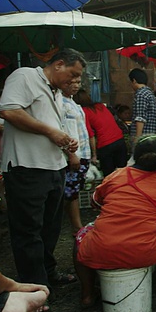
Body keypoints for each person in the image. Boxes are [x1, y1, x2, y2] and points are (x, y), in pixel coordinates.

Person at [0, 48, 85, 312]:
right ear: (58, 64)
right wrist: (52, 133)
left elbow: (55, 127)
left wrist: (69, 147)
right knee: (28, 231)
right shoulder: (24, 76)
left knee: (49, 228)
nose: (74, 80)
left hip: (53, 168)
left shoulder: (57, 93)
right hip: (27, 167)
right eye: (73, 73)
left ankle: (48, 274)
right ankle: (34, 288)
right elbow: (10, 111)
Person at [74, 135, 156, 309]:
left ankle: (87, 294)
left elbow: (95, 202)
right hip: (146, 250)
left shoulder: (116, 176)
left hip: (101, 247)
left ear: (134, 155)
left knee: (80, 236)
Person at [62, 80, 91, 236]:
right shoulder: (60, 102)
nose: (75, 85)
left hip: (83, 152)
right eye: (71, 82)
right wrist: (71, 154)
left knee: (75, 190)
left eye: (79, 82)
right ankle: (76, 226)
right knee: (70, 192)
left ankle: (77, 225)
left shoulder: (72, 102)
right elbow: (63, 130)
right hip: (74, 154)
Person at [75, 89, 128, 176]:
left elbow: (90, 135)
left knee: (109, 176)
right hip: (120, 140)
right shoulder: (100, 106)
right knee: (122, 173)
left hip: (105, 145)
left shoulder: (84, 111)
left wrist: (94, 155)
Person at [129, 68, 156, 145]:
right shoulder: (149, 93)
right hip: (151, 135)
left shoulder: (141, 95)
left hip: (144, 138)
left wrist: (137, 139)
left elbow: (140, 118)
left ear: (134, 81)